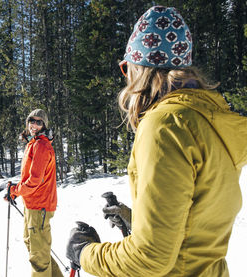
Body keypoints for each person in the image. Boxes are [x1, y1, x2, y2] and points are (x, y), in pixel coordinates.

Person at [66, 5, 247, 277]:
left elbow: (150, 258)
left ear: (140, 68)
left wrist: (84, 252)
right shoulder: (210, 122)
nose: (126, 78)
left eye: (126, 68)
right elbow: (195, 227)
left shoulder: (165, 126)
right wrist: (137, 218)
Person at [6, 109, 64, 277]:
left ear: (44, 125)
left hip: (40, 206)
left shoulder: (41, 145)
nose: (34, 124)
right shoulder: (34, 143)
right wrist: (15, 191)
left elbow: (34, 180)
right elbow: (30, 178)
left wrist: (16, 191)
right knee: (34, 246)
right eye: (32, 120)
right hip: (33, 204)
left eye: (39, 122)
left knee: (38, 256)